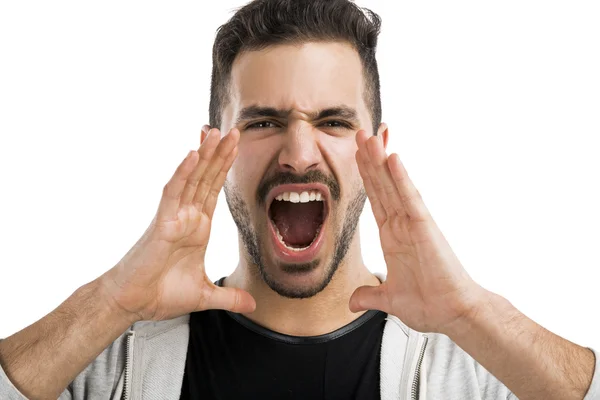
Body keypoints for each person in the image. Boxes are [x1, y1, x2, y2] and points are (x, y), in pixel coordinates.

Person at [0, 0, 598, 399]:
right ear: (217, 147)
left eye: (334, 121)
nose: (299, 154)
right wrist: (111, 301)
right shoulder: (115, 371)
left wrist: (470, 314)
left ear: (378, 150)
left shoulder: (470, 374)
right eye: (263, 122)